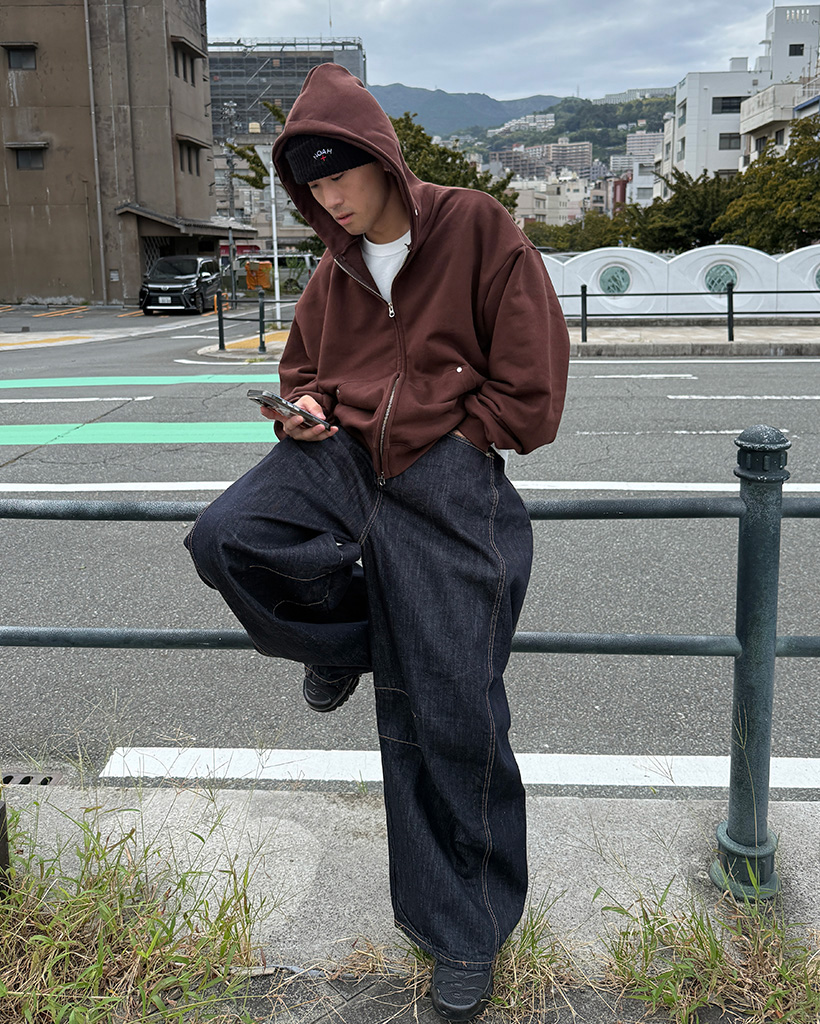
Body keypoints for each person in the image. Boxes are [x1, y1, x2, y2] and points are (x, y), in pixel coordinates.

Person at [185, 63, 569, 1022]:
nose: (329, 199)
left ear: (382, 159)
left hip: (446, 472)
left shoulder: (476, 227)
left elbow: (533, 392)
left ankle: (465, 931)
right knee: (230, 538)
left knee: (453, 714)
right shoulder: (333, 270)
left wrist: (464, 437)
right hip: (343, 458)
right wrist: (306, 407)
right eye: (311, 185)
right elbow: (304, 371)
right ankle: (350, 641)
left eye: (340, 174)